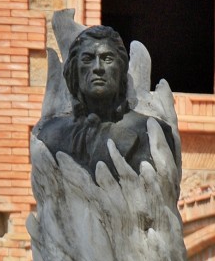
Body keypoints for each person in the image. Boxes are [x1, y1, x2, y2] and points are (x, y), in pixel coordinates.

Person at [36, 25, 176, 180]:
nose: (98, 68)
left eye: (107, 59)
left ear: (121, 70)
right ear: (74, 70)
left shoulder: (152, 132)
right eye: (88, 59)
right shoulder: (49, 135)